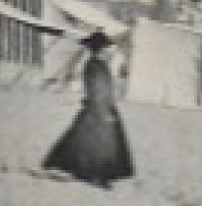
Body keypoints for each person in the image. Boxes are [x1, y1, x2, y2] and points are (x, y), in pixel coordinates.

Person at [42, 31, 134, 188]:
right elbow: (96, 89)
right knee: (97, 143)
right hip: (97, 109)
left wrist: (109, 106)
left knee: (88, 141)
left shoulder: (100, 64)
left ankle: (94, 173)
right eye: (105, 48)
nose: (107, 51)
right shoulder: (93, 65)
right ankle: (97, 175)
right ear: (99, 49)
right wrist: (103, 110)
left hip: (103, 107)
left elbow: (105, 88)